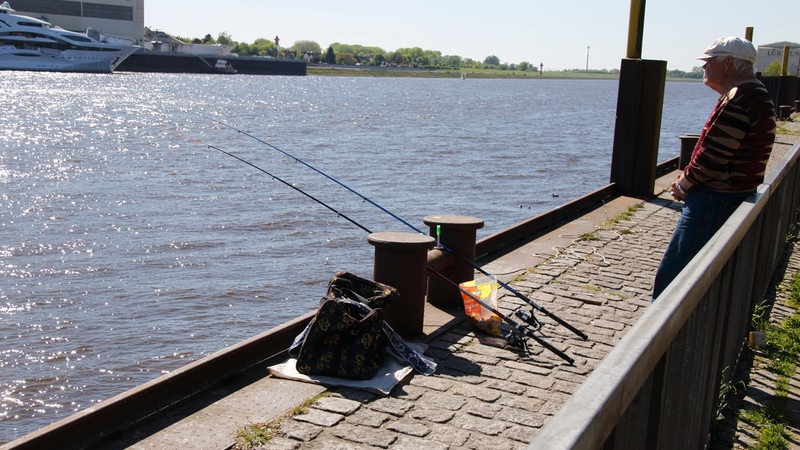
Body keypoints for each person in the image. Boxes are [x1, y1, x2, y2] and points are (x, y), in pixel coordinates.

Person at [652, 36, 776, 299]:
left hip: (714, 200)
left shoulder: (741, 98)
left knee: (674, 277)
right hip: (724, 196)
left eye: (708, 63)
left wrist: (684, 183)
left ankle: (659, 339)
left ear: (728, 63)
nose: (703, 69)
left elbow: (714, 155)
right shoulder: (755, 94)